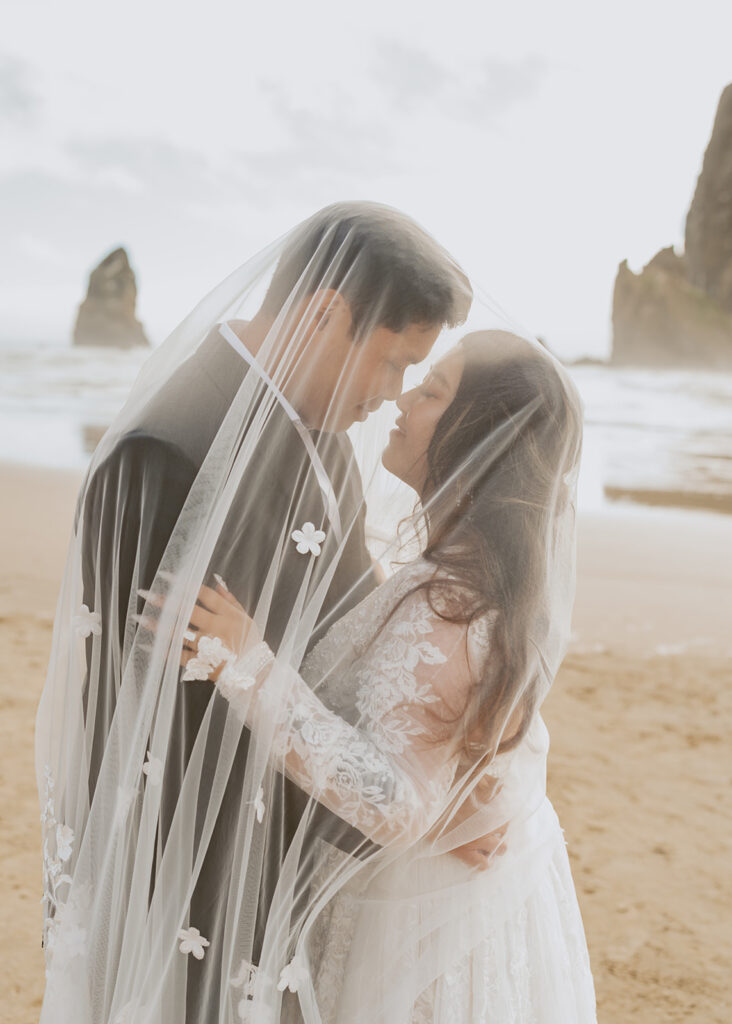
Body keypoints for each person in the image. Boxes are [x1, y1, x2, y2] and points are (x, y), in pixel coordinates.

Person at [37, 203, 509, 1023]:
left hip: (274, 863)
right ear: (326, 316)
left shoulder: (316, 426)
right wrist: (387, 826)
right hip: (189, 874)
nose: (392, 396)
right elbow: (158, 729)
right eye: (393, 362)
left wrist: (436, 783)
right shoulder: (168, 453)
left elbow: (357, 632)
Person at [182, 331, 597, 1022]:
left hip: (416, 919)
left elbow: (400, 804)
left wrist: (249, 664)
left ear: (477, 437)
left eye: (431, 390)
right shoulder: (478, 574)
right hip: (454, 896)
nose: (402, 397)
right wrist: (457, 799)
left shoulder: (450, 605)